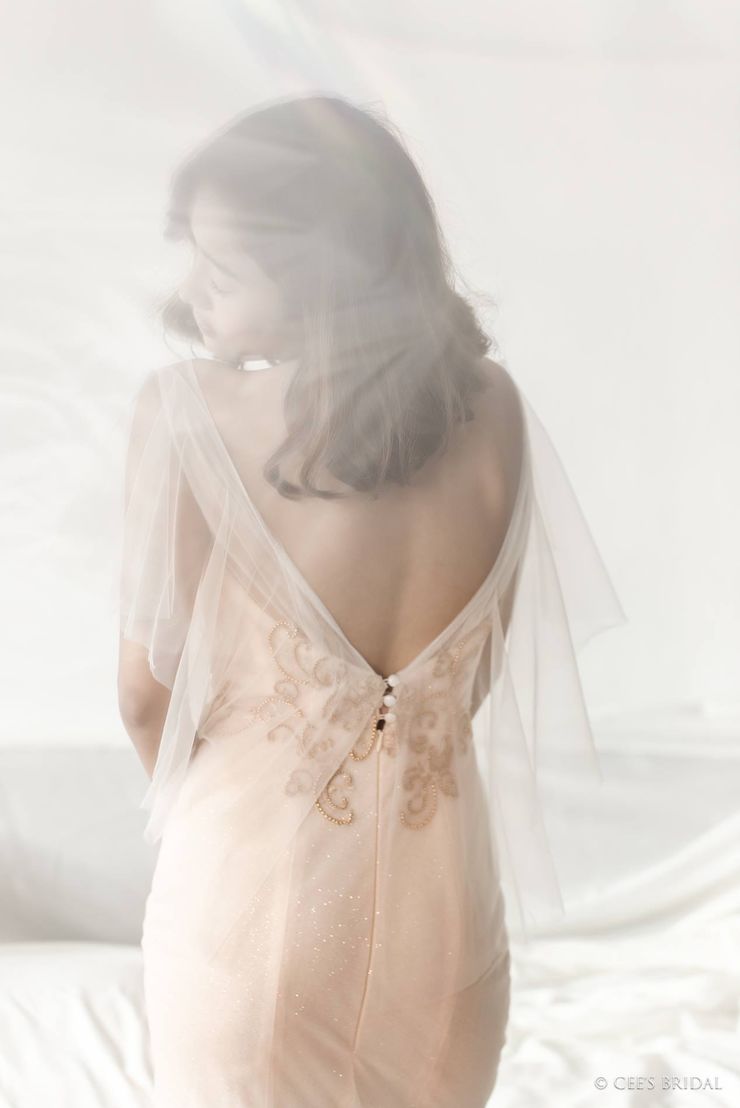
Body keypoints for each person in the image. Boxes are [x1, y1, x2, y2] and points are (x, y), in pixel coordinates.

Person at [117, 93, 626, 1108]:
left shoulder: (185, 412)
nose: (191, 293)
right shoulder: (494, 408)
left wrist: (214, 809)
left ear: (319, 274)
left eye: (222, 271)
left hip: (244, 914)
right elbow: (473, 676)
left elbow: (143, 698)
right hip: (446, 933)